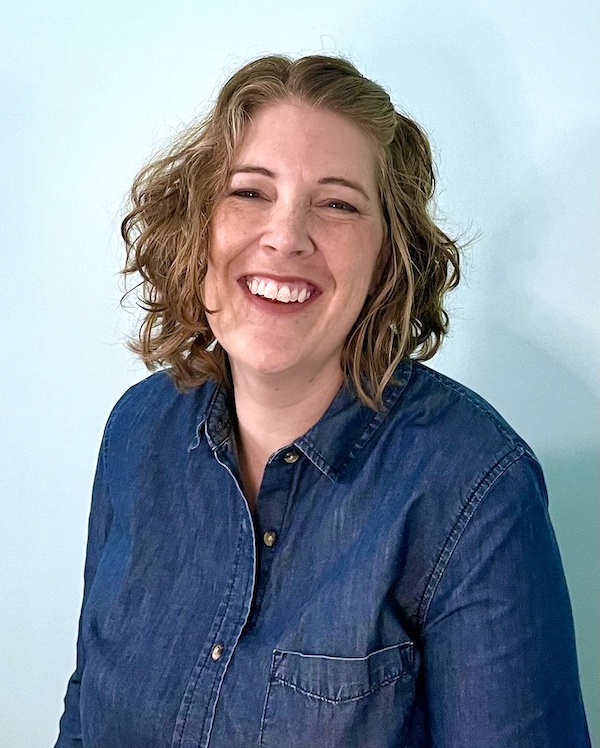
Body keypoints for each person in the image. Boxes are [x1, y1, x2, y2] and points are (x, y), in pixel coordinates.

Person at [55, 55, 591, 748]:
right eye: (249, 192)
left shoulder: (473, 487)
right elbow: (85, 710)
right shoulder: (137, 430)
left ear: (387, 261)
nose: (285, 236)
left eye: (337, 203)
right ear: (198, 224)